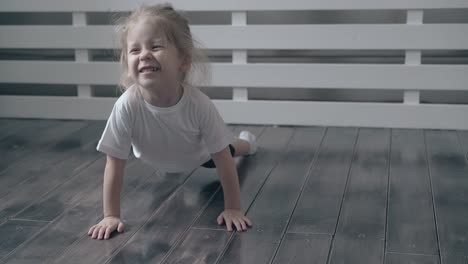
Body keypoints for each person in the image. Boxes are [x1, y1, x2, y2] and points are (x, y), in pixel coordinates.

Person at [88, 3, 257, 240]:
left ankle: (248, 143)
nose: (144, 54)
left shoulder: (199, 105)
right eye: (135, 51)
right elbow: (114, 163)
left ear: (183, 61)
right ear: (127, 62)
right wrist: (111, 215)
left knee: (230, 147)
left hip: (201, 154)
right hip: (163, 155)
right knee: (197, 156)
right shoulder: (127, 106)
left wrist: (233, 208)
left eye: (155, 47)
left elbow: (224, 162)